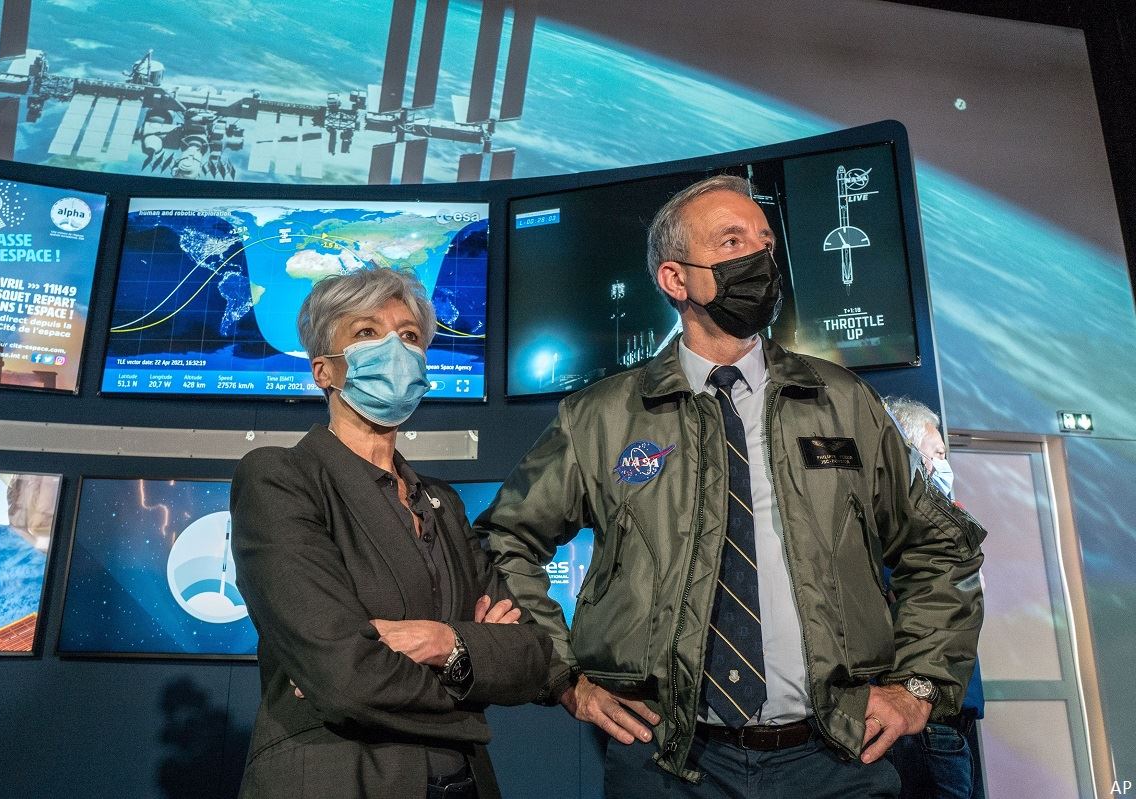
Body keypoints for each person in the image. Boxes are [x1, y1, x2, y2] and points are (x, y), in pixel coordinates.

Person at [475, 175, 986, 798]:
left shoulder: (843, 402)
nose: (759, 257)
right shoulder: (600, 418)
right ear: (675, 278)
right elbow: (504, 541)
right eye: (731, 241)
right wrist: (561, 678)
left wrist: (918, 686)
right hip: (665, 761)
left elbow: (944, 548)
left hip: (835, 760)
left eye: (765, 242)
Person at [231, 268, 551, 799]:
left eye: (408, 335)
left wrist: (444, 642)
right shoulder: (280, 478)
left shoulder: (442, 503)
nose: (395, 350)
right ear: (323, 371)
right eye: (366, 333)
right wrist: (472, 680)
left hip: (466, 783)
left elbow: (532, 655)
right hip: (339, 781)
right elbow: (345, 678)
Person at [884, 397, 986, 799]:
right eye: (937, 454)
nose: (944, 465)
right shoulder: (898, 534)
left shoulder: (946, 533)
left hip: (947, 723)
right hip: (920, 727)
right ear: (908, 456)